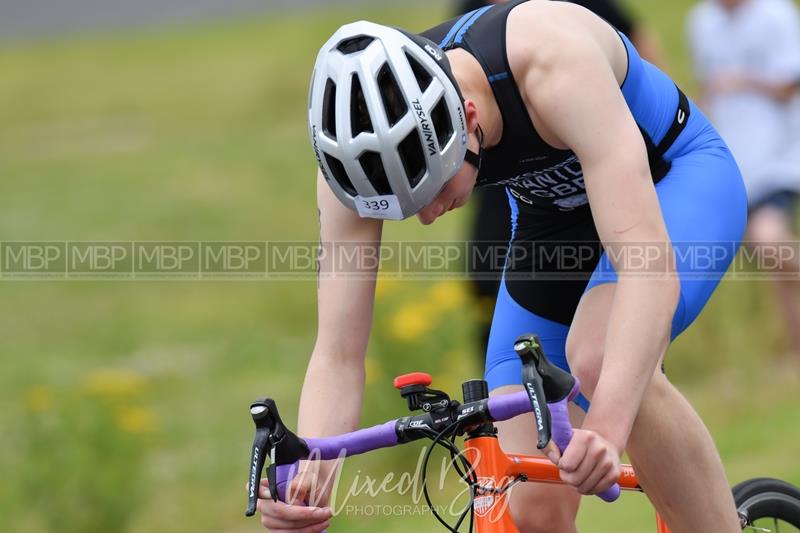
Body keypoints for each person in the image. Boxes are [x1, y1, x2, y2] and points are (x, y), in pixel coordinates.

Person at [257, 1, 746, 532]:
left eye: (435, 187)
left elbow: (647, 271)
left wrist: (604, 427)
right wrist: (311, 474)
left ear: (467, 118)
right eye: (400, 207)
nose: (425, 217)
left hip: (673, 183)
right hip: (551, 228)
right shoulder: (349, 166)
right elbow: (338, 351)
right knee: (531, 502)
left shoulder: (551, 62)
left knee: (599, 359)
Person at [460, 0, 667, 357]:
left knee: (607, 338)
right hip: (510, 185)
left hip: (594, 169)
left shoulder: (571, 9)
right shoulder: (471, 9)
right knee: (489, 280)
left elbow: (641, 48)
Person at [688, 0, 800, 357]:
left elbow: (789, 85)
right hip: (737, 159)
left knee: (769, 240)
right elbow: (709, 89)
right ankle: (796, 351)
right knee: (773, 263)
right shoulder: (701, 21)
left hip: (779, 153)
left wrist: (743, 80)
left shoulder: (775, 13)